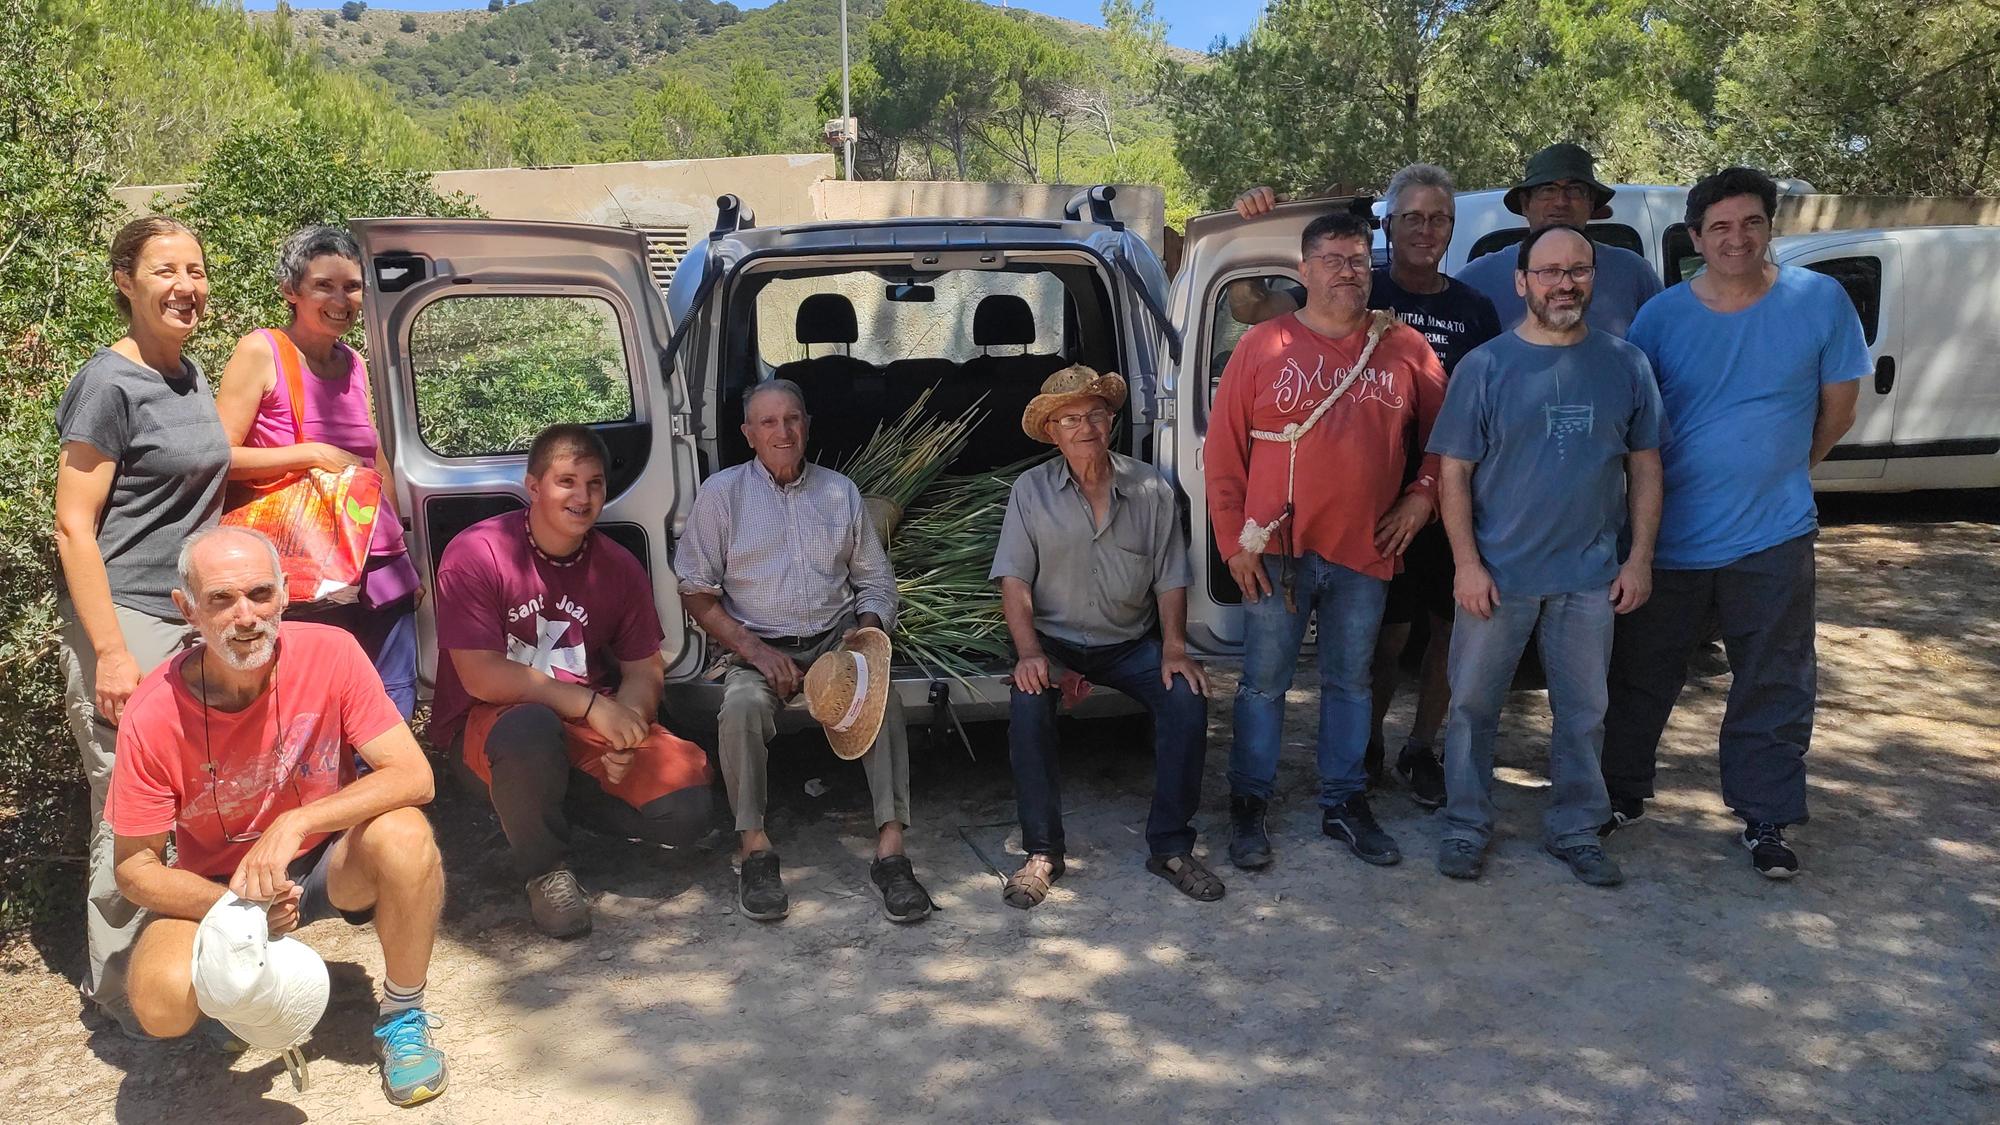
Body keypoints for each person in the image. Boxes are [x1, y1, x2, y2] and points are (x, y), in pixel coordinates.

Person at [107, 527, 449, 1108]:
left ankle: (403, 1014)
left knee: (405, 832)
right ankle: (238, 995)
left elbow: (414, 777)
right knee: (160, 1003)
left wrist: (291, 825)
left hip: (324, 864)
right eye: (220, 599)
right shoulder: (153, 711)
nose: (245, 616)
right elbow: (135, 869)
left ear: (286, 593)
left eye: (259, 594)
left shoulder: (332, 652)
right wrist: (235, 912)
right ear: (185, 608)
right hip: (219, 888)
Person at [1600, 168, 1867, 878]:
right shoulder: (1661, 318)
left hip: (1773, 535)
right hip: (1671, 538)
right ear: (1695, 238)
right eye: (1719, 227)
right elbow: (1638, 434)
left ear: (1769, 227)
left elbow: (1838, 410)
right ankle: (1620, 792)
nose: (1736, 238)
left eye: (1750, 223)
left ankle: (1767, 816)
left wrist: (1784, 469)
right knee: (1640, 673)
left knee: (1773, 680)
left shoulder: (1820, 301)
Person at [1230, 164, 1503, 807]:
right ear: (1389, 224)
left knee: (1441, 632)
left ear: (1452, 229)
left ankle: (1407, 757)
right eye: (1412, 216)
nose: (1425, 229)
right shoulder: (1347, 285)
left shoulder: (1467, 312)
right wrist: (1253, 222)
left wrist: (1428, 492)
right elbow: (1252, 308)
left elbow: (1471, 414)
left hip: (1431, 504)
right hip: (1336, 523)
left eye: (1438, 218)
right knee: (1373, 649)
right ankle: (1351, 760)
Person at [1207, 210, 1447, 872]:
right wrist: (1234, 542)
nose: (1350, 272)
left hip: (1363, 551)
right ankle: (1249, 806)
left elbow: (1447, 438)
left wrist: (1422, 496)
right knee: (1262, 683)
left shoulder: (1404, 349)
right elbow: (1223, 454)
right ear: (1304, 270)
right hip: (1275, 552)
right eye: (1335, 260)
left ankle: (1345, 802)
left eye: (1359, 261)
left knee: (1350, 682)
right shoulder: (1263, 346)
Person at [1427, 226, 1666, 886]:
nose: (1565, 283)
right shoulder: (1487, 367)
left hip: (1589, 577)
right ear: (1521, 281)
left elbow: (1645, 466)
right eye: (1550, 271)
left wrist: (1639, 556)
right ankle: (1467, 823)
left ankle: (1575, 827)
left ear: (1594, 277)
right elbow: (1453, 473)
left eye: (1578, 270)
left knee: (1584, 712)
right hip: (1498, 576)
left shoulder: (1625, 364)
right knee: (1473, 706)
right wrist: (1467, 564)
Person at [431, 425, 713, 938]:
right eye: (566, 481)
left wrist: (626, 727)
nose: (582, 497)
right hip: (493, 728)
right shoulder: (477, 553)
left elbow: (642, 670)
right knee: (530, 731)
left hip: (585, 725)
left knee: (687, 803)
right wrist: (590, 707)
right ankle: (545, 870)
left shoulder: (617, 567)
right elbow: (481, 675)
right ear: (534, 486)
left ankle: (535, 811)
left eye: (595, 484)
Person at [54, 216, 230, 1035]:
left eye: (195, 269)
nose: (186, 285)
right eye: (166, 269)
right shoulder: (108, 384)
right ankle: (123, 996)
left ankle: (182, 973)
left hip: (189, 621)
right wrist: (113, 652)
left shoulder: (190, 375)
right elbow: (72, 526)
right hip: (126, 620)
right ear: (125, 279)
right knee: (129, 810)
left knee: (185, 800)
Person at [674, 380, 933, 924]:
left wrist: (863, 641)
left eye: (792, 419)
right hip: (758, 646)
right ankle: (754, 849)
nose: (782, 432)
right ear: (748, 434)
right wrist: (754, 649)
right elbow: (696, 590)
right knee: (741, 711)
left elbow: (876, 584)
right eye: (768, 423)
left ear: (807, 424)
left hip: (834, 640)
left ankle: (891, 852)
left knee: (883, 705)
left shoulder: (840, 493)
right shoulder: (722, 495)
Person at [990, 364, 1220, 908]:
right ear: (1053, 432)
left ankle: (1170, 845)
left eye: (1094, 414)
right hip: (1054, 641)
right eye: (1070, 418)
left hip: (1126, 642)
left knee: (1186, 698)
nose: (1084, 427)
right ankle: (1042, 853)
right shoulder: (1032, 491)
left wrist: (1174, 648)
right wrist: (1028, 654)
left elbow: (1170, 576)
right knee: (1027, 707)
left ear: (1110, 421)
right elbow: (1014, 579)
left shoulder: (1149, 489)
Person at [216, 225, 422, 717]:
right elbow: (219, 458)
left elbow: (372, 460)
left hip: (373, 563)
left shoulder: (352, 362)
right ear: (291, 291)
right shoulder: (261, 351)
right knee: (314, 707)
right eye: (323, 285)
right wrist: (310, 453)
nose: (341, 299)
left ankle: (387, 792)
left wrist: (400, 548)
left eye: (351, 286)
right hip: (302, 569)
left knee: (388, 703)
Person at [1455, 144, 1663, 337]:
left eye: (1574, 191)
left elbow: (1660, 349)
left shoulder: (1633, 272)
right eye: (1548, 190)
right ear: (1525, 204)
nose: (1561, 202)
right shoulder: (1480, 277)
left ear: (1591, 204)